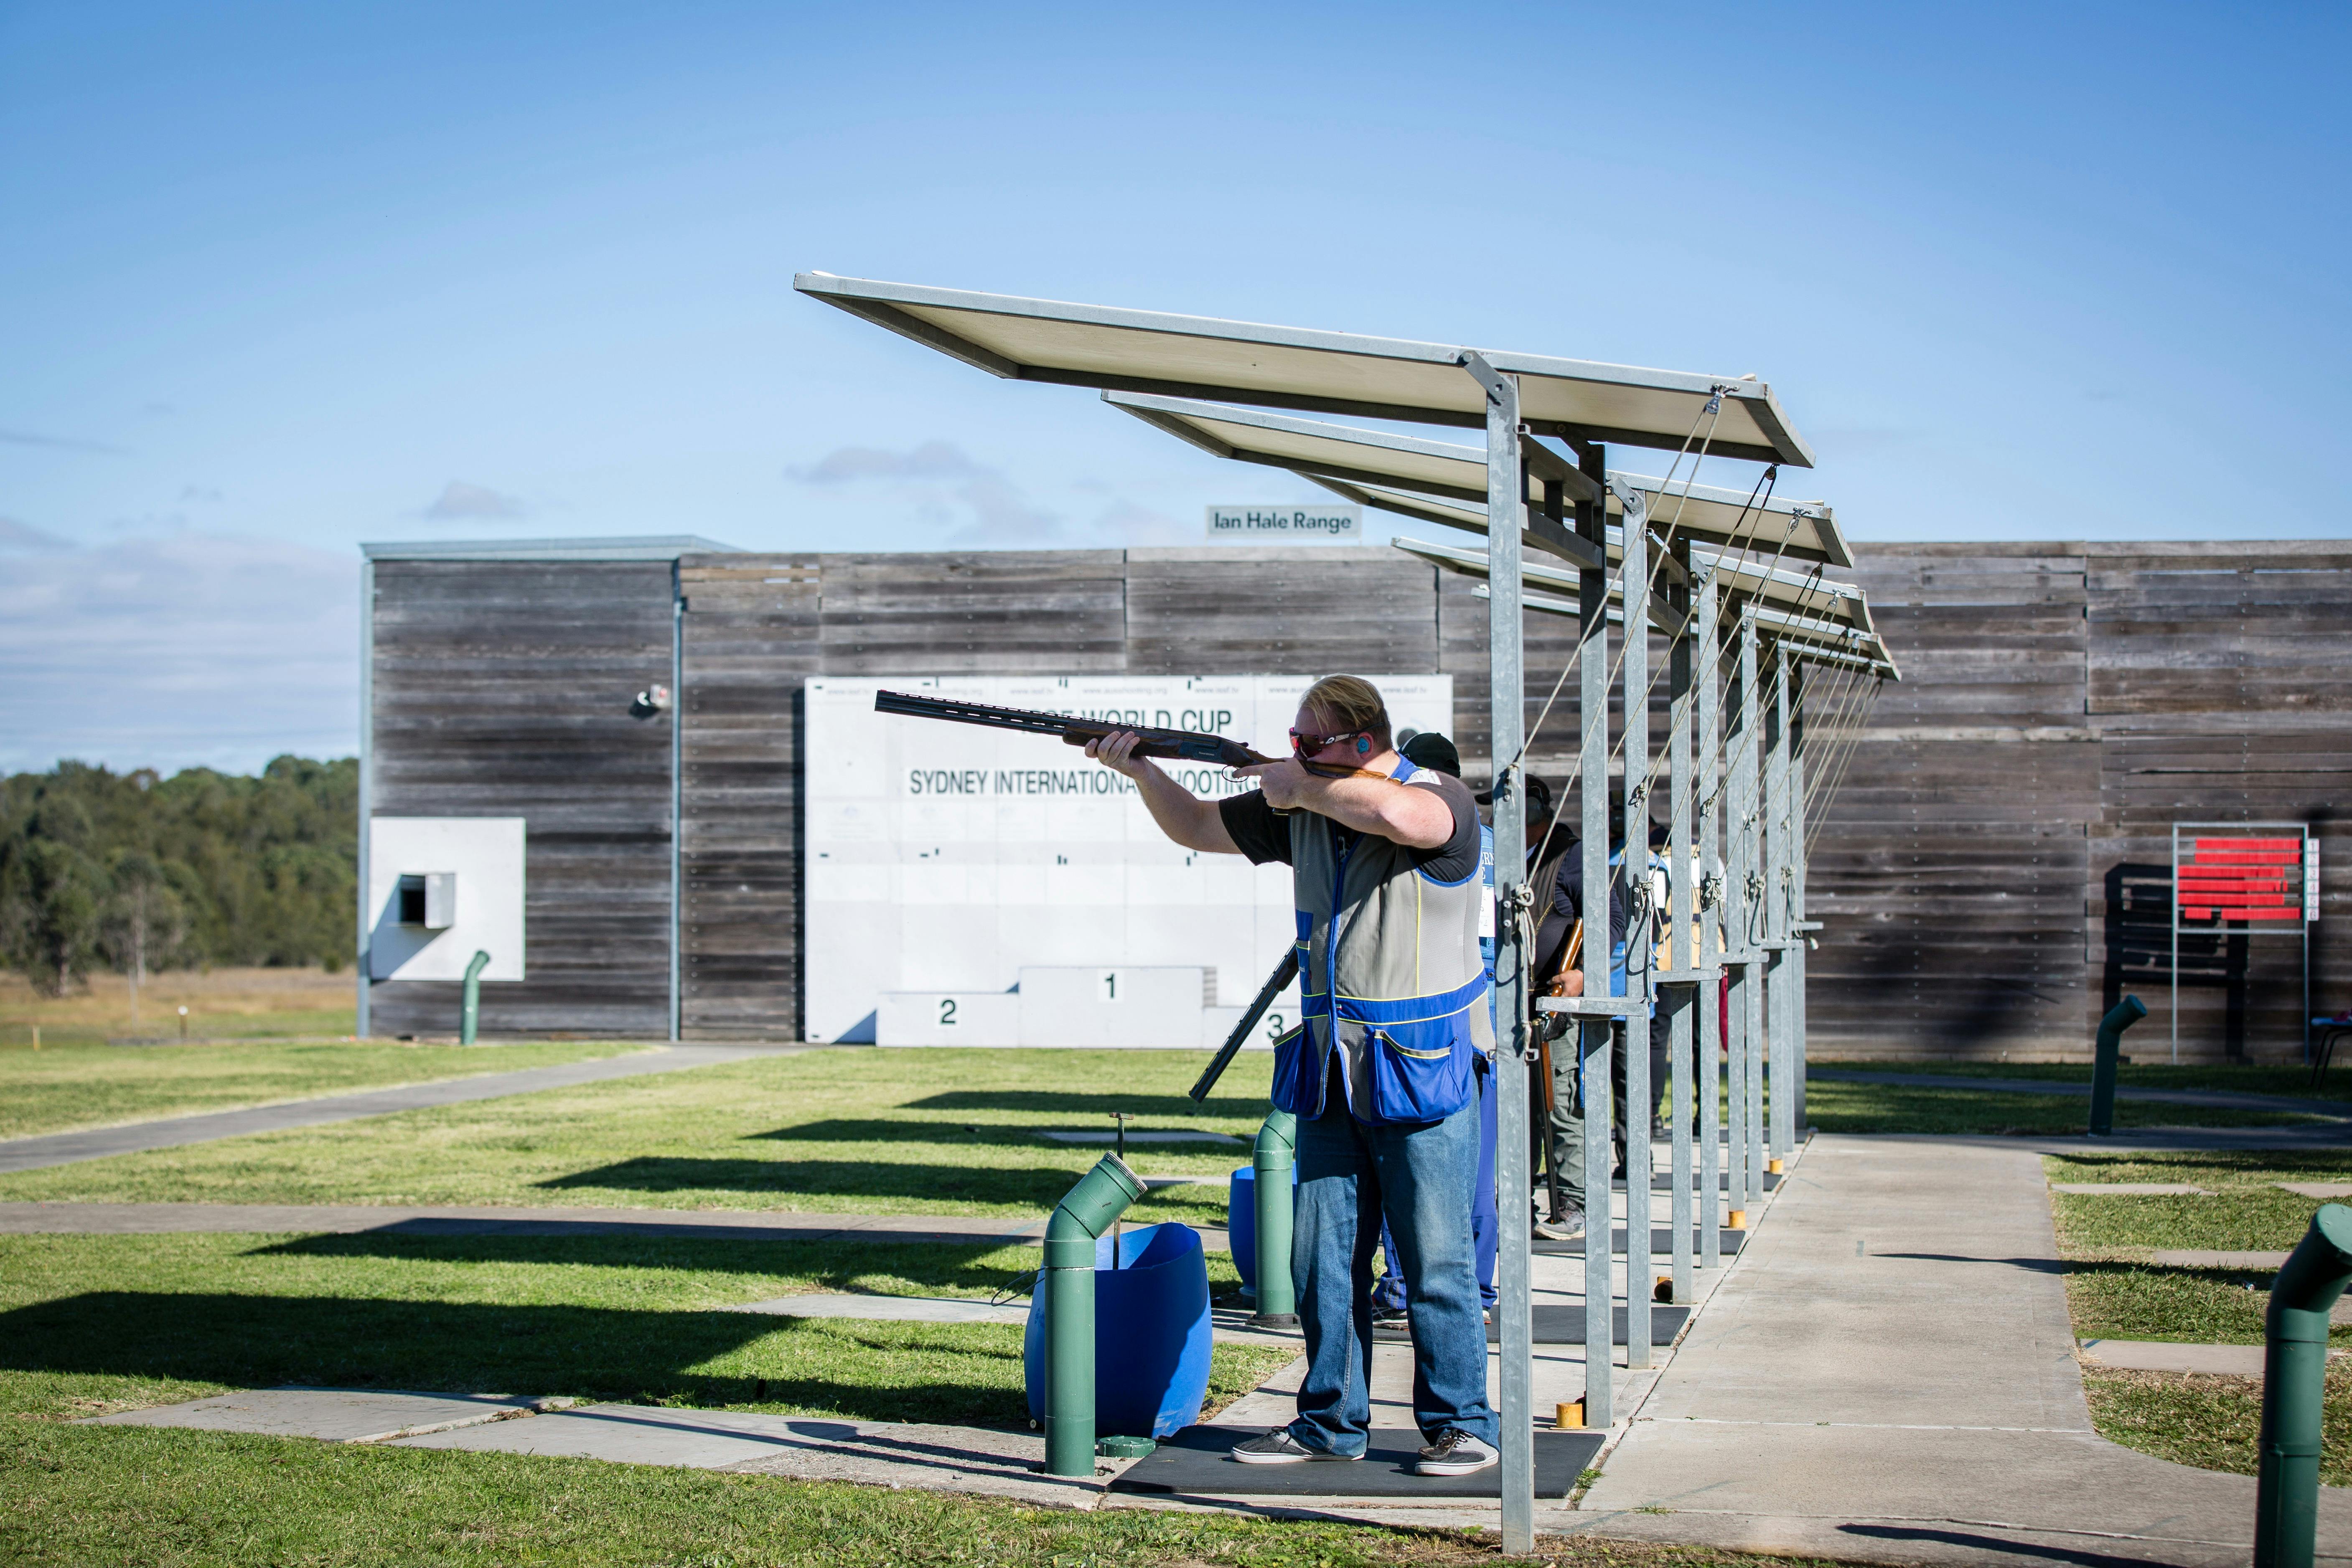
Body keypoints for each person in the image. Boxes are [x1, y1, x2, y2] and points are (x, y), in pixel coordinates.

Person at [1085, 676, 1499, 1477]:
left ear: (1363, 742)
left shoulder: (1436, 795)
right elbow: (1197, 826)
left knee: (1436, 1263)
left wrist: (1298, 784)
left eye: (1311, 742)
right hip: (1331, 1076)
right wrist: (1141, 771)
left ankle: (1461, 1424)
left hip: (1425, 1071)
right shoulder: (1303, 807)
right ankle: (1329, 1421)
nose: (1297, 754)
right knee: (1321, 1262)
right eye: (1294, 742)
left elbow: (1404, 818)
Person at [1368, 731, 1498, 1327]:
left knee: (1411, 1167)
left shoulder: (1408, 839)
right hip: (1484, 1022)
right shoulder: (1490, 844)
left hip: (1423, 1023)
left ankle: (1403, 1286)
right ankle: (1477, 1289)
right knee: (1477, 1169)